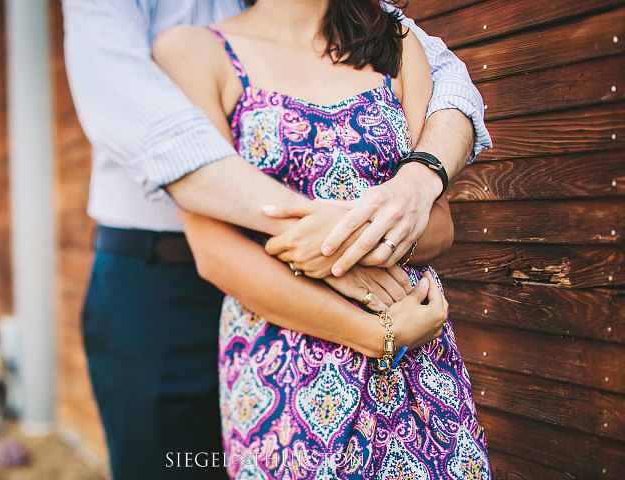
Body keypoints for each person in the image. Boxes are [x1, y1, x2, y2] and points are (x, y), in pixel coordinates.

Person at [62, 1, 491, 478]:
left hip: (410, 349)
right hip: (175, 284)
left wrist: (403, 194)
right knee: (172, 464)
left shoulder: (389, 36)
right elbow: (159, 141)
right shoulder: (193, 50)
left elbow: (441, 195)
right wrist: (355, 282)